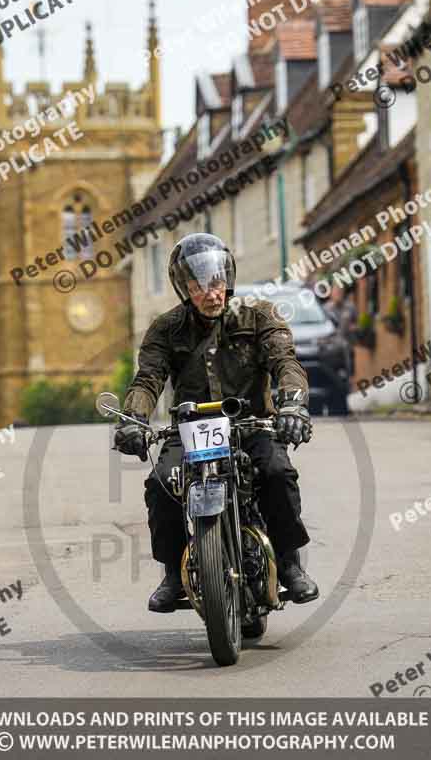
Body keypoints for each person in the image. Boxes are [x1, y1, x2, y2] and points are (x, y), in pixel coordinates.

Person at [114, 234, 318, 613]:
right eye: (198, 286)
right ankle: (173, 575)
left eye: (216, 282)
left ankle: (289, 564)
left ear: (228, 279)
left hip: (253, 424)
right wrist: (134, 420)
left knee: (276, 473)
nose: (211, 293)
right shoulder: (166, 329)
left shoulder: (259, 315)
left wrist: (293, 406)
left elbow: (286, 363)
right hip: (191, 428)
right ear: (184, 289)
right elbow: (148, 379)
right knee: (161, 485)